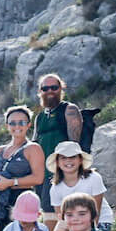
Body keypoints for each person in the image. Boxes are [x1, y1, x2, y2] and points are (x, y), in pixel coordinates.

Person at [0, 106, 46, 231]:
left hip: (24, 206)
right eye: (12, 123)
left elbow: (38, 178)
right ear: (7, 125)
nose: (17, 126)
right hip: (1, 207)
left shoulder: (33, 148)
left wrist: (10, 183)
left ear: (28, 125)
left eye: (22, 122)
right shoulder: (0, 150)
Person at [31, 74, 83, 213]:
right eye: (45, 88)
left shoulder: (69, 110)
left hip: (60, 173)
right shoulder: (40, 117)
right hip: (42, 175)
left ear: (61, 89)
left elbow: (75, 144)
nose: (49, 91)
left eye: (54, 87)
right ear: (40, 91)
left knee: (59, 213)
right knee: (46, 213)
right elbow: (34, 145)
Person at [47, 141, 115, 231]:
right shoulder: (55, 188)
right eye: (63, 158)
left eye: (73, 157)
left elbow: (96, 212)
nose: (68, 161)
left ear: (80, 160)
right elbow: (62, 218)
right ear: (58, 162)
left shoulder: (94, 178)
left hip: (100, 222)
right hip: (74, 226)